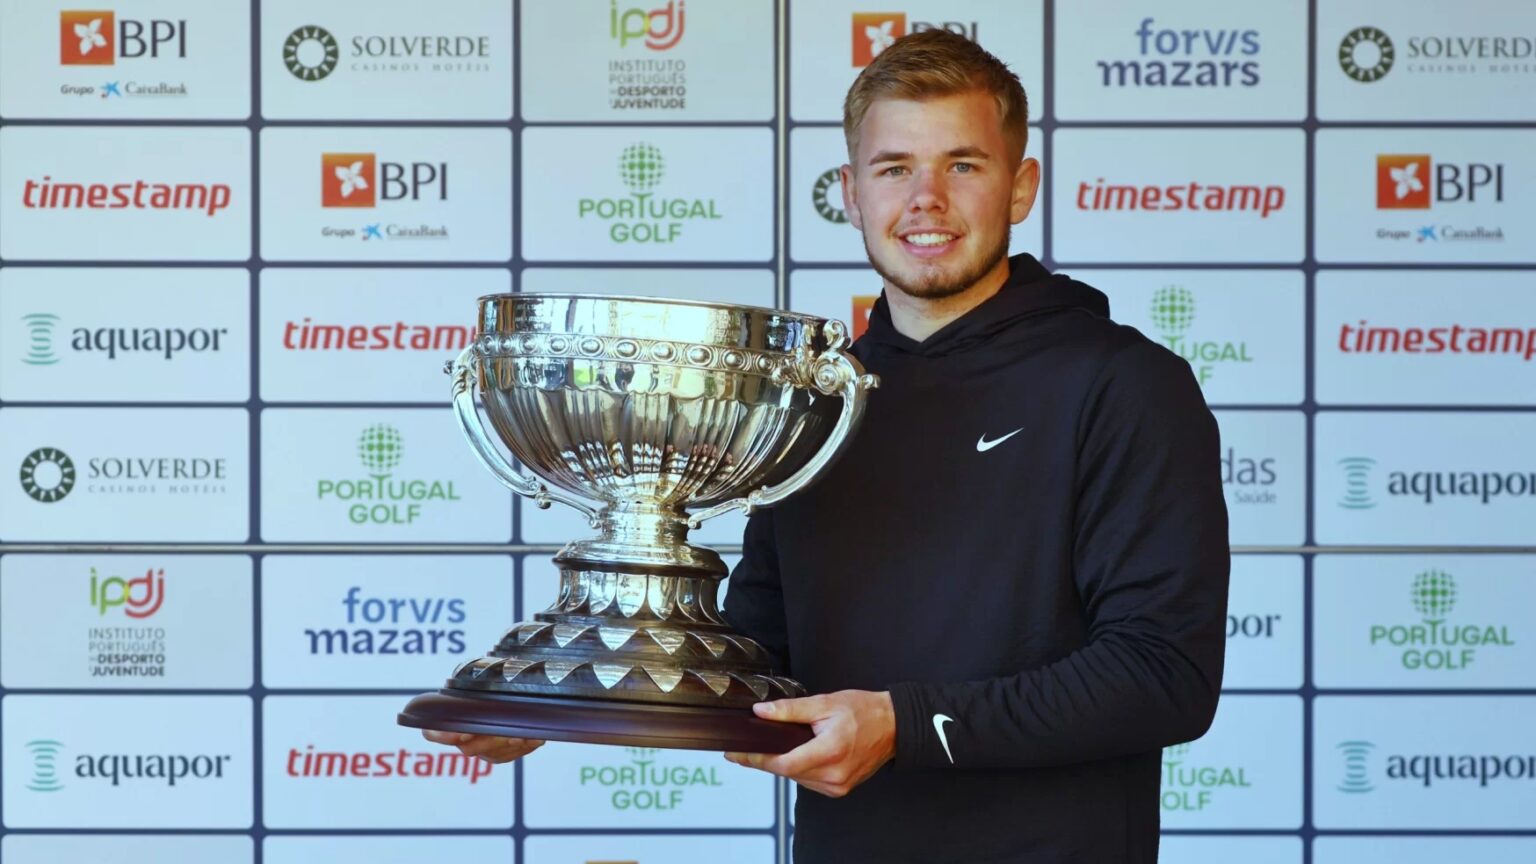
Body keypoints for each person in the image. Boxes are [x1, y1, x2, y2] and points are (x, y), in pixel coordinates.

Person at [426, 29, 1230, 863]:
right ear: (850, 193)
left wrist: (904, 726)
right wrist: (560, 691)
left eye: (963, 165)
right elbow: (755, 655)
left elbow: (1163, 676)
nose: (925, 199)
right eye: (894, 169)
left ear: (1020, 187)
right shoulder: (812, 403)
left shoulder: (1125, 384)